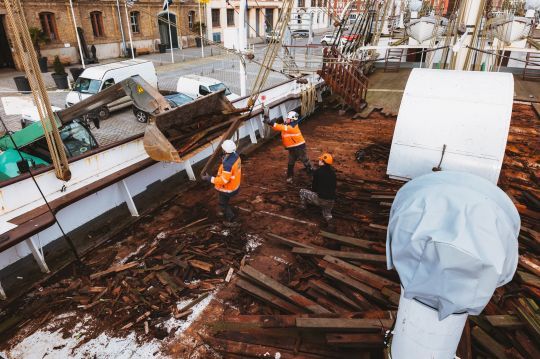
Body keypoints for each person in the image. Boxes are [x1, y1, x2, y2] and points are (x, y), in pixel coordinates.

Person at [264, 110, 314, 183]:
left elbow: (281, 127)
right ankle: (289, 177)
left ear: (292, 120)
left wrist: (271, 122)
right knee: (291, 162)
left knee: (305, 161)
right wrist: (270, 123)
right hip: (292, 148)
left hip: (299, 147)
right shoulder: (288, 125)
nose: (286, 119)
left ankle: (313, 176)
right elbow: (278, 127)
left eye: (287, 118)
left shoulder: (292, 127)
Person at [202, 139, 241, 225]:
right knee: (224, 200)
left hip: (227, 189)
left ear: (225, 150)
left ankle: (231, 219)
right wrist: (225, 159)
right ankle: (223, 212)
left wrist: (209, 178)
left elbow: (223, 180)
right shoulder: (236, 156)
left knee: (223, 203)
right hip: (234, 186)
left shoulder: (228, 164)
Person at [299, 153, 336, 228]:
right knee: (327, 213)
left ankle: (303, 208)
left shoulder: (318, 172)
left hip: (321, 200)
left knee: (302, 192)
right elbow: (334, 186)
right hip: (331, 201)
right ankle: (329, 219)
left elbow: (314, 188)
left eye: (320, 160)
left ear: (323, 162)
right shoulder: (333, 173)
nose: (319, 161)